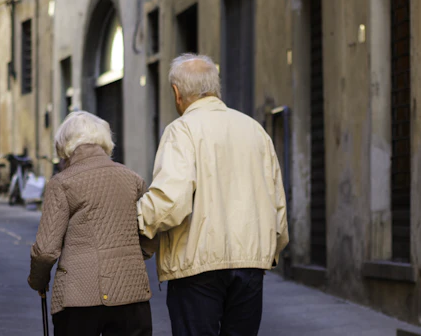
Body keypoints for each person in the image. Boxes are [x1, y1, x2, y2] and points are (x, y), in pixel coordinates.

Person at [137, 54, 290, 336]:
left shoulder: (181, 130)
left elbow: (170, 201)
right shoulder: (255, 130)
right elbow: (277, 204)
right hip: (250, 265)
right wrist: (269, 252)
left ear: (176, 92)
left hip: (197, 268)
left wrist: (135, 221)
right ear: (215, 88)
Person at [28, 111, 154, 336]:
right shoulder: (134, 179)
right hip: (131, 296)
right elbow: (151, 232)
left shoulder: (62, 183)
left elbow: (46, 251)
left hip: (79, 300)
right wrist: (131, 256)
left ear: (64, 145)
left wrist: (38, 280)